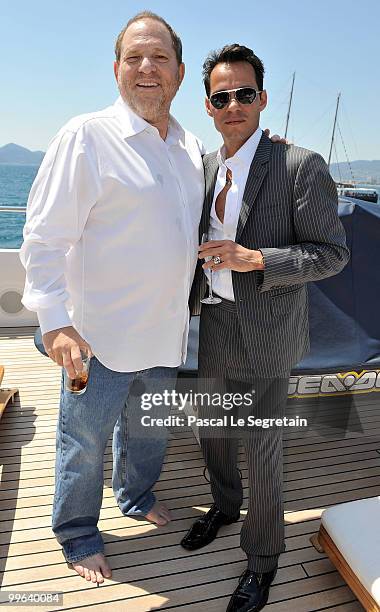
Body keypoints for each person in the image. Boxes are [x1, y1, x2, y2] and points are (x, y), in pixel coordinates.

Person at [20, 12, 206, 583]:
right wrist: (55, 323)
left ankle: (135, 495)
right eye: (134, 57)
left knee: (149, 430)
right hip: (96, 336)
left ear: (178, 72)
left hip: (164, 332)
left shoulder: (190, 146)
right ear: (117, 69)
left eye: (160, 58)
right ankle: (76, 533)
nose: (147, 68)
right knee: (84, 441)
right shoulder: (86, 136)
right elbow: (44, 238)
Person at [182, 45, 350, 612]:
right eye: (222, 96)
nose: (234, 105)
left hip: (269, 330)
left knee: (263, 447)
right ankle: (226, 507)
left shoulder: (299, 165)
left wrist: (254, 258)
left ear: (262, 99)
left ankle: (262, 560)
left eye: (244, 94)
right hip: (217, 320)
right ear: (208, 105)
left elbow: (331, 254)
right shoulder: (204, 166)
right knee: (212, 431)